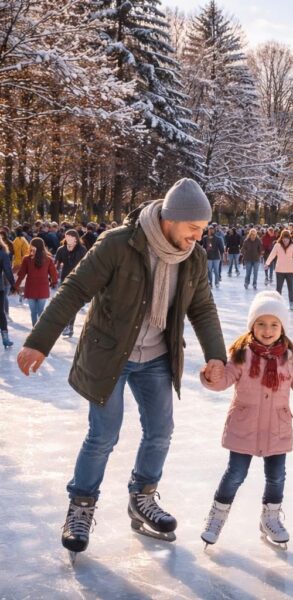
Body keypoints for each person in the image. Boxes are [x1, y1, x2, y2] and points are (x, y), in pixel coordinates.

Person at [16, 178, 227, 558]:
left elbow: (202, 308)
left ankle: (142, 496)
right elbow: (75, 288)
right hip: (110, 354)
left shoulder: (191, 258)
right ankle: (81, 506)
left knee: (161, 431)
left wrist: (216, 355)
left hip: (158, 356)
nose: (199, 236)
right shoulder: (119, 243)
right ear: (171, 219)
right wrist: (39, 340)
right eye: (194, 228)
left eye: (202, 229)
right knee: (103, 435)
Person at [198, 292, 293, 548]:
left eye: (273, 324)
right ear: (252, 326)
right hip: (243, 427)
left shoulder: (289, 360)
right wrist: (210, 376)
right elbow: (222, 381)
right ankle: (216, 516)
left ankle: (270, 519)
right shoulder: (242, 355)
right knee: (235, 474)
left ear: (282, 329)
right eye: (261, 324)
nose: (267, 330)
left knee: (277, 477)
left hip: (277, 430)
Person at [15, 237, 58, 326]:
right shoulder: (48, 259)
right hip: (43, 287)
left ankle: (34, 329)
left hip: (30, 287)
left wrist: (16, 286)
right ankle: (40, 330)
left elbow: (21, 274)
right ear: (43, 246)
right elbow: (54, 274)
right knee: (41, 311)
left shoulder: (27, 259)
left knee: (33, 312)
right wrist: (54, 283)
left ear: (32, 246)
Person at [53, 230, 88, 337]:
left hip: (78, 280)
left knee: (72, 305)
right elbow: (56, 264)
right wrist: (53, 275)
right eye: (66, 237)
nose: (68, 239)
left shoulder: (82, 249)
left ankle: (70, 326)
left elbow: (86, 264)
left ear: (76, 238)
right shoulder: (61, 249)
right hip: (64, 279)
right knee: (64, 305)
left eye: (70, 237)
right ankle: (67, 325)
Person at [265, 230, 293, 311]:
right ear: (281, 238)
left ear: (289, 238)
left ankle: (291, 305)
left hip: (290, 270)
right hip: (279, 271)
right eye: (283, 238)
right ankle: (277, 304)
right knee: (278, 288)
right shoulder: (277, 245)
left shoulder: (292, 246)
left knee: (290, 288)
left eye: (287, 238)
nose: (285, 240)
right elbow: (272, 255)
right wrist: (267, 263)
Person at [0, 236, 15, 348]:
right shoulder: (3, 253)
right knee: (1, 313)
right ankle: (5, 338)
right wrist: (13, 285)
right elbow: (8, 270)